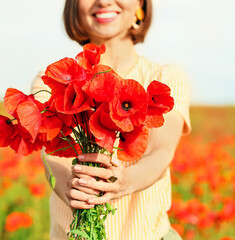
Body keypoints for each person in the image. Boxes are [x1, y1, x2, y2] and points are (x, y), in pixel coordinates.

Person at [31, 0, 191, 239]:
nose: (104, 0)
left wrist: (123, 182)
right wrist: (69, 186)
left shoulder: (166, 78)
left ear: (140, 5)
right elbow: (52, 151)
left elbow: (160, 152)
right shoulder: (54, 79)